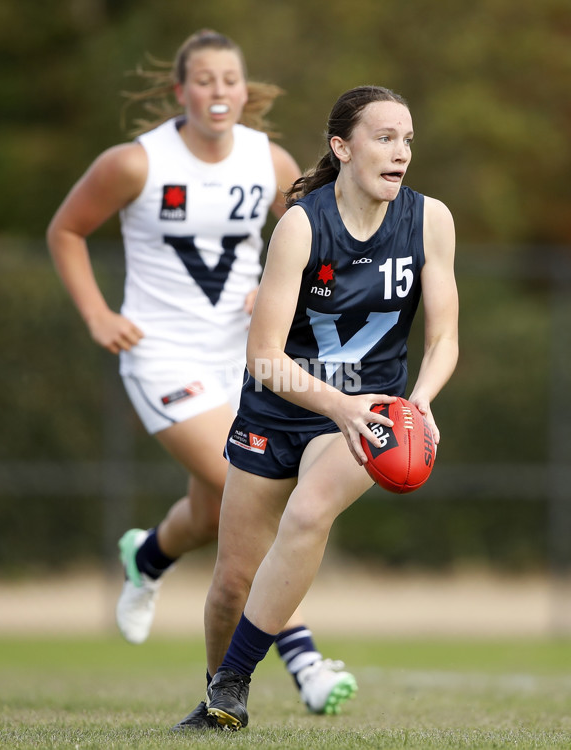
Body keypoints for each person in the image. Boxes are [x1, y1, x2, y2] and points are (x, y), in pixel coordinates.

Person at [46, 29, 357, 722]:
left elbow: (313, 244)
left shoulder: (270, 161)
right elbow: (66, 231)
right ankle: (303, 655)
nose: (220, 92)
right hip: (163, 355)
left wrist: (281, 287)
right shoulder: (135, 163)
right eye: (206, 80)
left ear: (246, 92)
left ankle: (149, 557)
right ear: (179, 91)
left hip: (246, 356)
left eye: (231, 80)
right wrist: (98, 314)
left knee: (219, 510)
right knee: (242, 482)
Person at [174, 84, 459, 731]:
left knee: (307, 513)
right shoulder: (302, 225)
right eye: (385, 137)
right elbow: (265, 356)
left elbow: (445, 338)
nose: (401, 152)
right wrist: (338, 405)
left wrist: (416, 404)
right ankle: (220, 701)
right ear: (342, 146)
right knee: (229, 584)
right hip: (280, 410)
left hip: (369, 412)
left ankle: (235, 685)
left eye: (408, 138)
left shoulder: (430, 220)